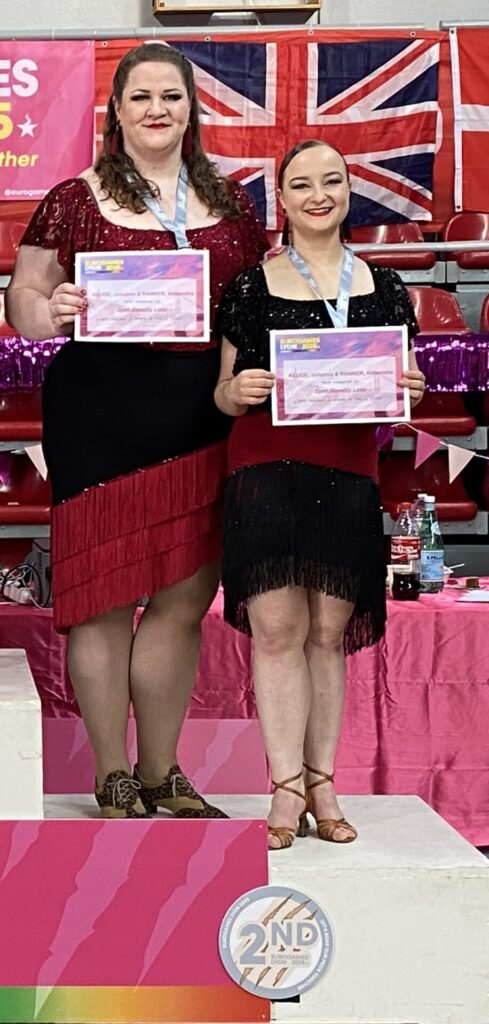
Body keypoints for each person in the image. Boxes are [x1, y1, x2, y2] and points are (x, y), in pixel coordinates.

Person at [5, 43, 268, 819]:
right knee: (101, 600)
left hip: (201, 412)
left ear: (191, 110)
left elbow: (254, 307)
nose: (157, 109)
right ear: (116, 110)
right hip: (100, 412)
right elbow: (24, 296)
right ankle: (112, 774)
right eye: (141, 96)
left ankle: (162, 771)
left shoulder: (232, 201)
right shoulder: (73, 198)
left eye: (171, 96)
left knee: (183, 601)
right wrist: (49, 311)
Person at [214, 140, 426, 849]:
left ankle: (323, 780)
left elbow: (405, 389)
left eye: (331, 181)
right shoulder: (250, 286)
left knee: (327, 636)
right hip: (264, 471)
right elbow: (221, 394)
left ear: (347, 192)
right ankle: (283, 787)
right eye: (301, 184)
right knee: (278, 633)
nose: (318, 195)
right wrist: (237, 390)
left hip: (346, 475)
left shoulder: (385, 287)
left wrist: (413, 388)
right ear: (281, 198)